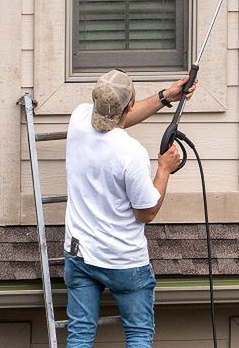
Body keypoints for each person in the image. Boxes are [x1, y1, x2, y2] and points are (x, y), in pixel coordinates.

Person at [63, 69, 193, 348]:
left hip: (79, 255)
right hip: (123, 262)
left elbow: (116, 119)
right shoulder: (130, 152)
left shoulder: (78, 119)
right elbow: (146, 212)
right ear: (130, 103)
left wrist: (164, 97)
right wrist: (164, 169)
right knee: (138, 335)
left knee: (80, 335)